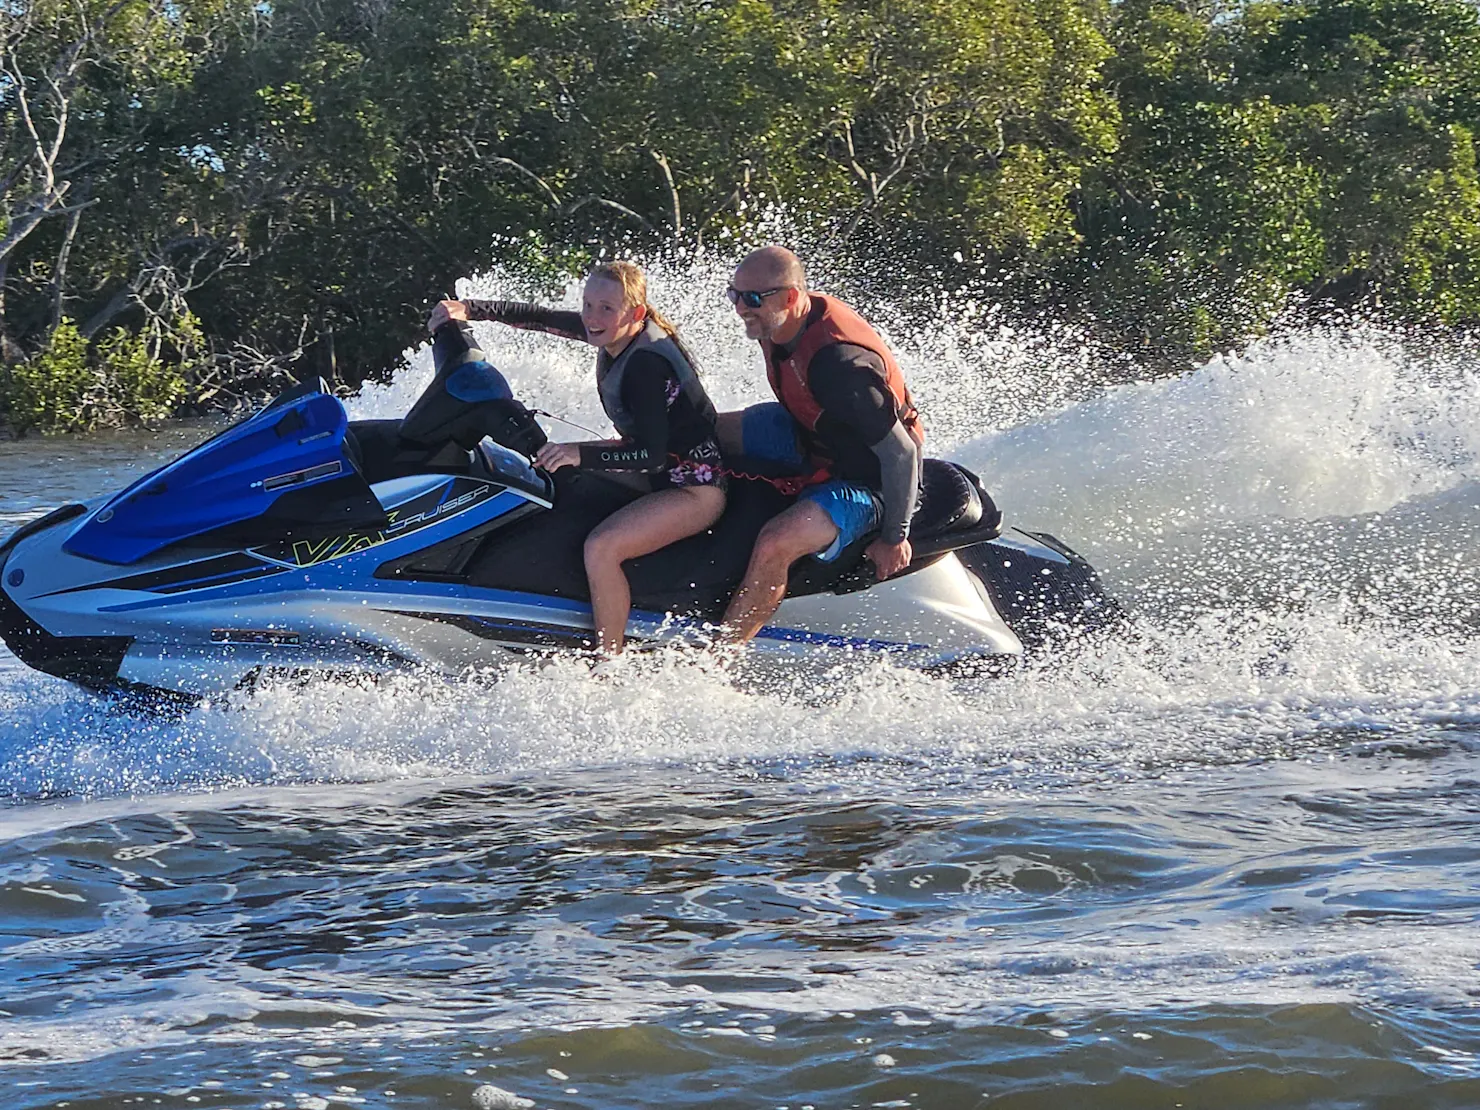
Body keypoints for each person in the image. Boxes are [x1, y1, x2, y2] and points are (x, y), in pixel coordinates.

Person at [428, 262, 726, 656]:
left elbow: (651, 455)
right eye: (588, 305)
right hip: (657, 469)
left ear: (635, 313)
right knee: (554, 478)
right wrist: (469, 308)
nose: (592, 317)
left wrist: (578, 453)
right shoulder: (612, 332)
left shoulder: (645, 364)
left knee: (602, 548)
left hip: (693, 489)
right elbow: (542, 318)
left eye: (606, 308)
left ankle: (609, 661)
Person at [716, 246, 925, 644]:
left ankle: (719, 658)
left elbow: (902, 454)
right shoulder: (781, 323)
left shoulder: (841, 366)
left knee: (775, 541)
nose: (741, 308)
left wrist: (895, 537)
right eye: (734, 295)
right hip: (811, 435)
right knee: (703, 430)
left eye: (753, 299)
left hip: (870, 481)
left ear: (791, 297)